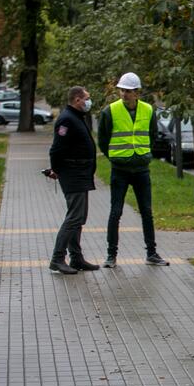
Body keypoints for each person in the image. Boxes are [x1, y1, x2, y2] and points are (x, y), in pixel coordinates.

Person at [98, 72, 169, 267]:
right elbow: (103, 139)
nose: (124, 94)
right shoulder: (109, 111)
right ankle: (111, 256)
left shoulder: (148, 110)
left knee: (146, 211)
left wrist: (144, 154)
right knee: (116, 211)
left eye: (128, 91)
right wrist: (113, 155)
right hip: (119, 169)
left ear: (137, 93)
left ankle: (152, 253)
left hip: (141, 169)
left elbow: (152, 135)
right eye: (122, 90)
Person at [47, 86, 100, 274]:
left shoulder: (75, 117)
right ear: (77, 99)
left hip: (80, 173)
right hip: (72, 173)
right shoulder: (66, 120)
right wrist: (56, 170)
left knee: (78, 217)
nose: (88, 101)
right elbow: (56, 149)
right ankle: (57, 258)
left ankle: (76, 258)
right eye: (86, 98)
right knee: (74, 217)